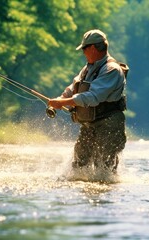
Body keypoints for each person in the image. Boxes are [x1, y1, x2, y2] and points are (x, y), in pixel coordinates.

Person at [48, 29, 127, 173]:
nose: (83, 52)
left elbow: (93, 97)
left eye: (84, 49)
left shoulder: (112, 70)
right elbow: (74, 87)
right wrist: (61, 98)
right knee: (79, 165)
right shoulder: (87, 68)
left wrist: (64, 103)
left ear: (92, 48)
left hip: (109, 124)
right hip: (89, 124)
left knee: (104, 168)